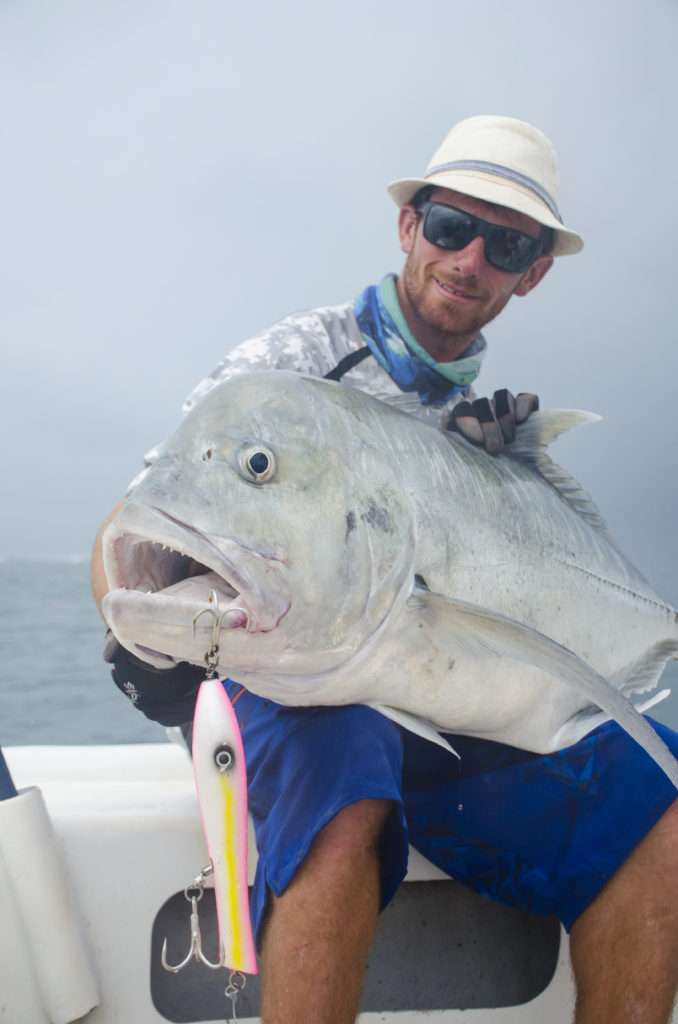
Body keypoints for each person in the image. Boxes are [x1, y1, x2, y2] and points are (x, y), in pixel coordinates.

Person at [91, 115, 678, 1024]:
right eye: (451, 226)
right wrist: (143, 644)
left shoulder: (485, 426)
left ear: (534, 272)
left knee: (664, 810)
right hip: (303, 672)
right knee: (346, 773)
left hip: (427, 681)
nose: (470, 257)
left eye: (507, 243)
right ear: (410, 226)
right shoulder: (292, 365)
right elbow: (140, 516)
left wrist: (508, 469)